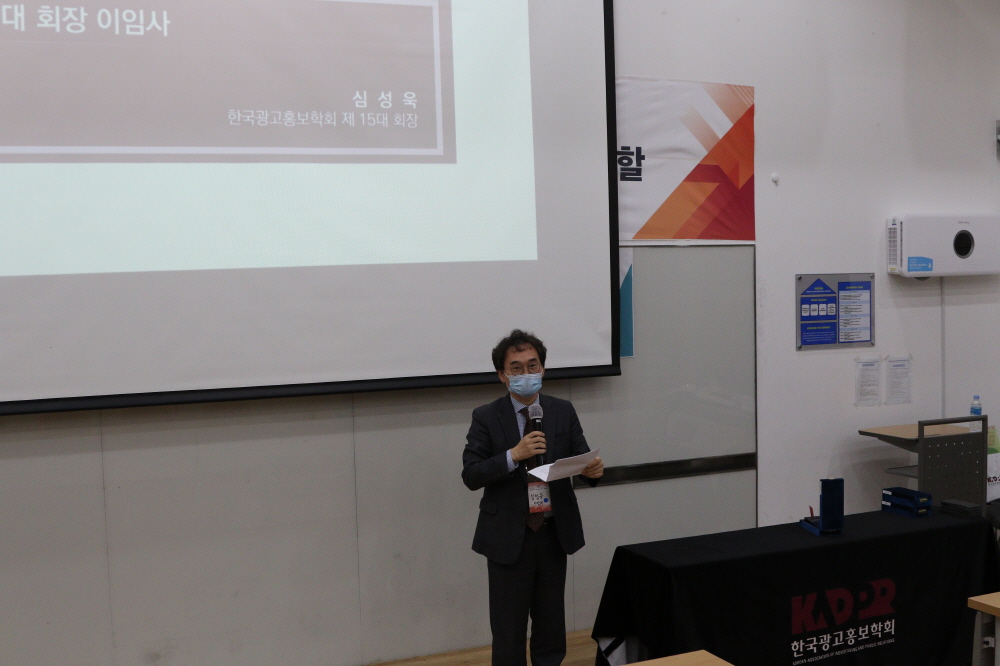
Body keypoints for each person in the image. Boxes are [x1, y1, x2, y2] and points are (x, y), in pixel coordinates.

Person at [462, 329, 604, 666]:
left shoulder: (562, 411)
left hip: (553, 534)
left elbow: (581, 459)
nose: (526, 373)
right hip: (509, 537)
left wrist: (593, 471)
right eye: (516, 368)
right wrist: (514, 455)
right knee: (509, 631)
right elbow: (471, 474)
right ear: (502, 375)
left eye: (533, 365)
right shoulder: (486, 416)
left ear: (543, 369)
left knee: (551, 627)